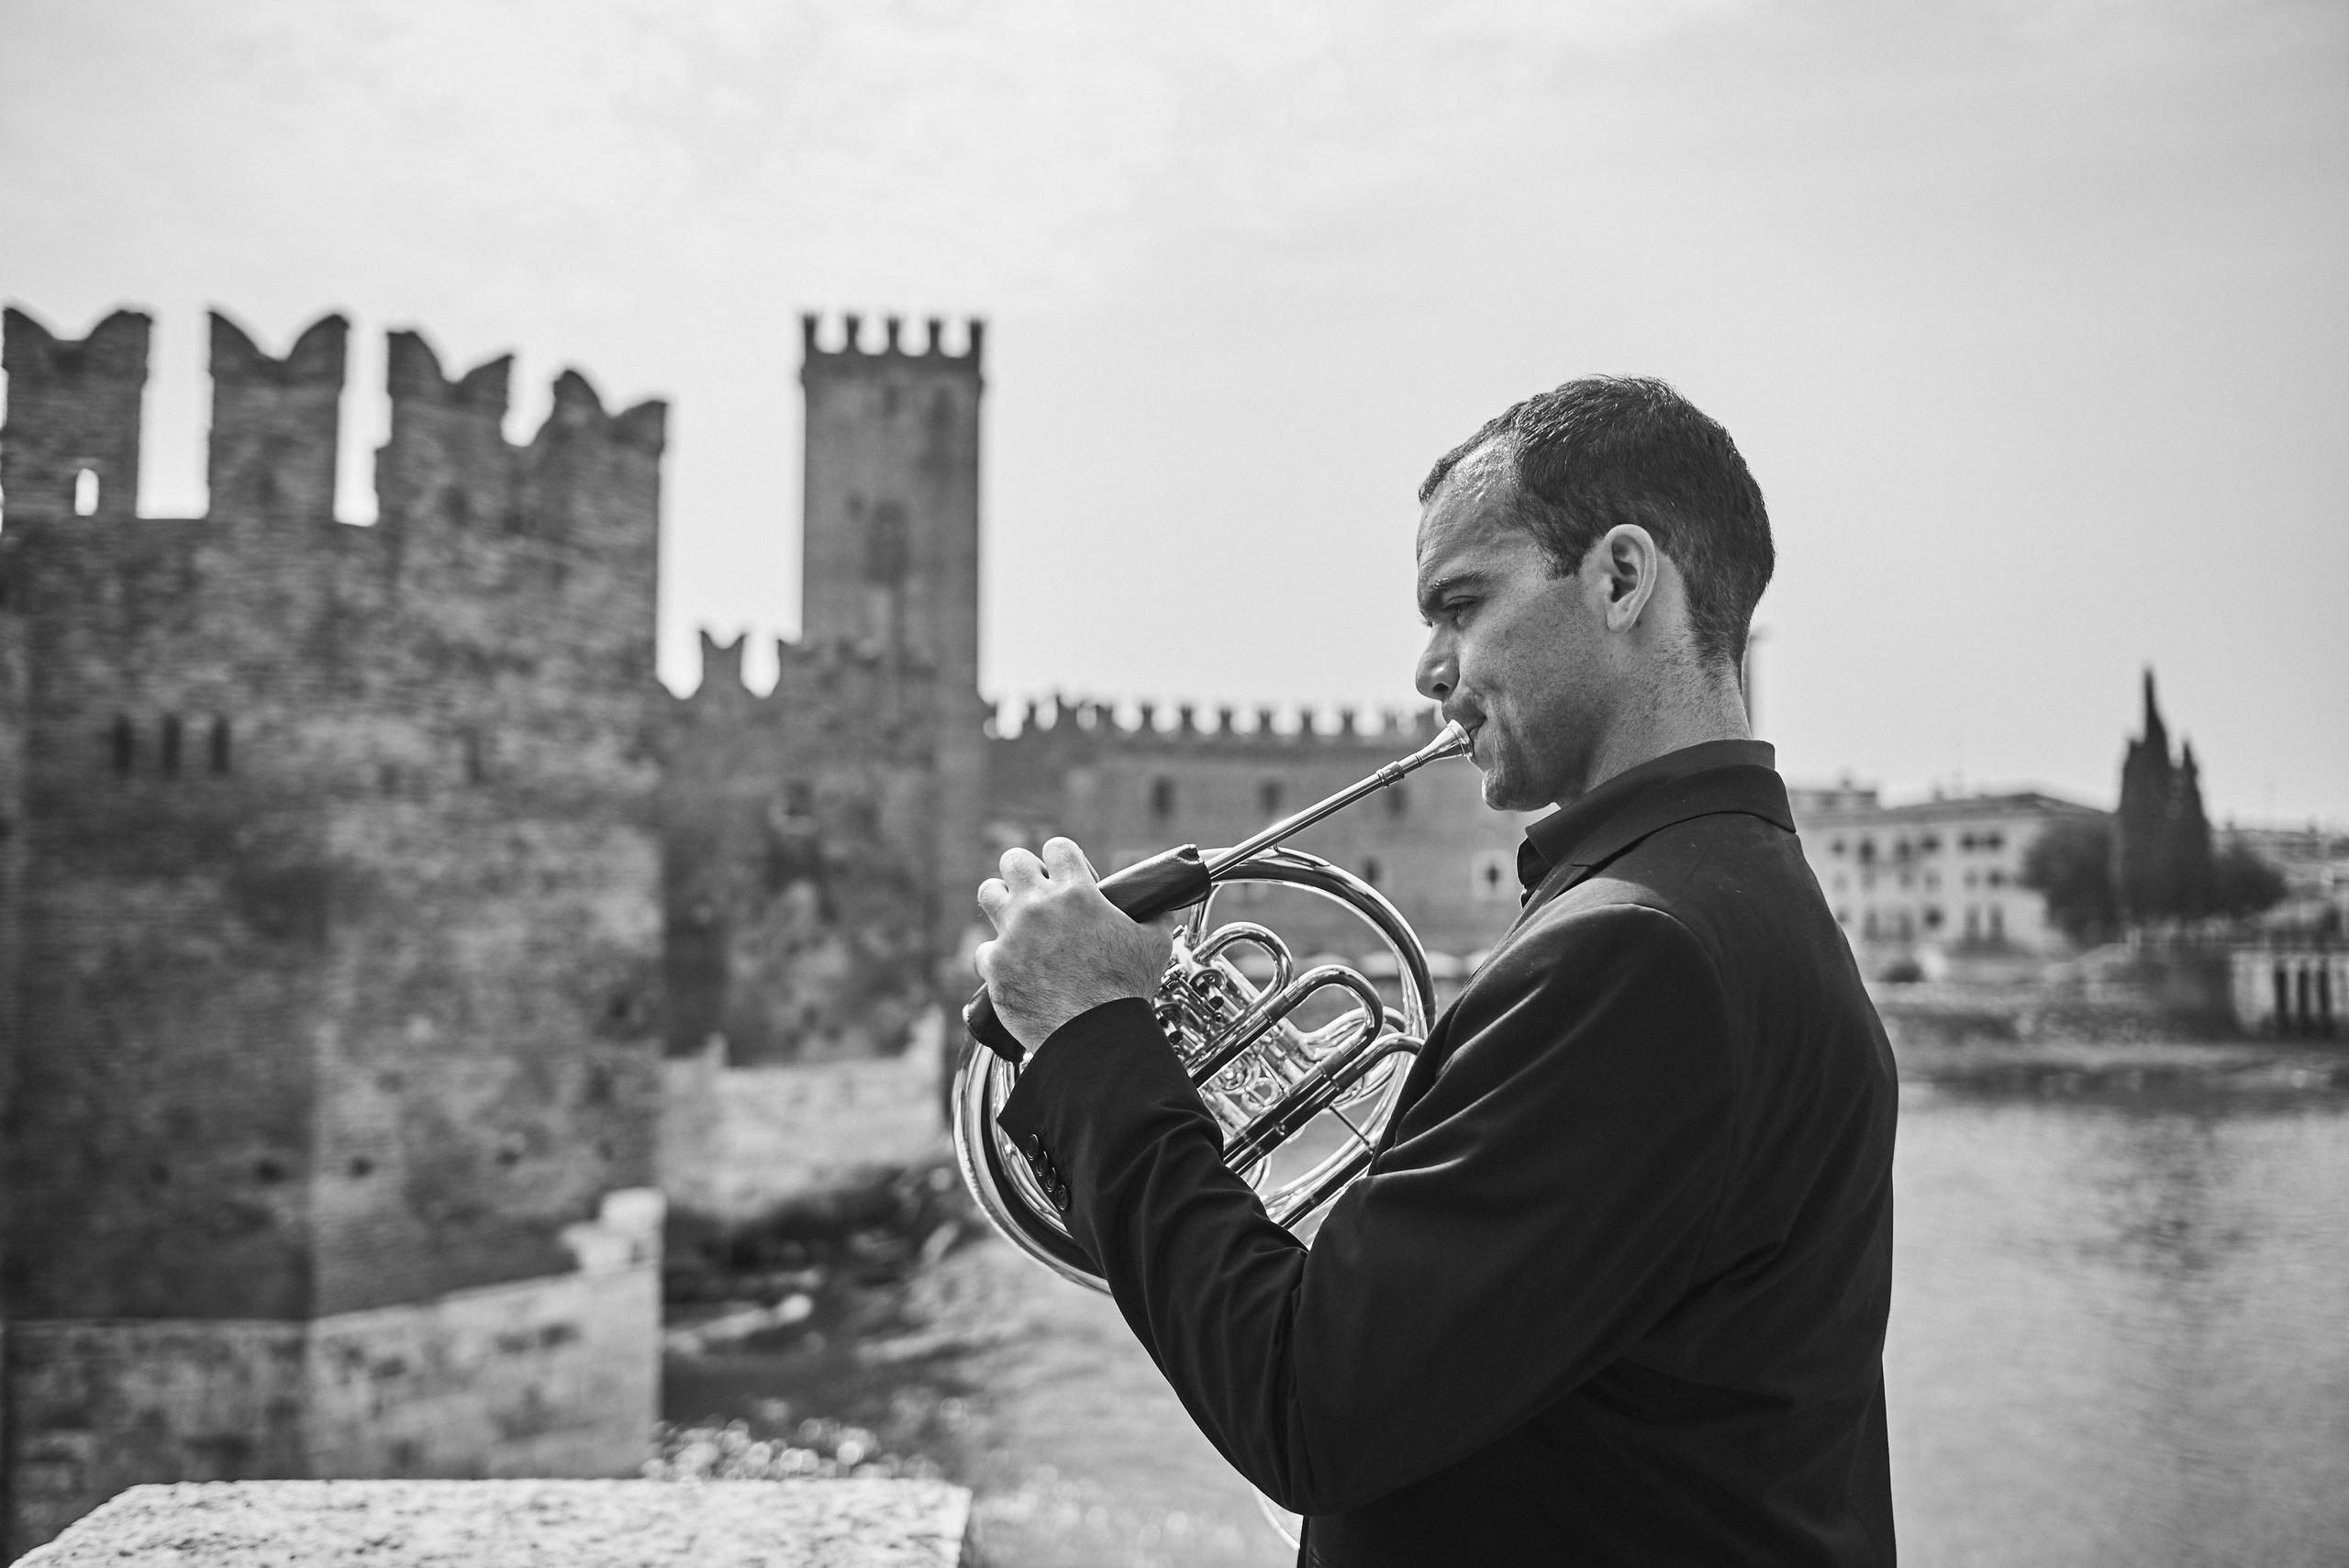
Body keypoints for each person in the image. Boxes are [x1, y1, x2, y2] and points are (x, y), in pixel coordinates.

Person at [974, 377, 1898, 1565]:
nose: (1427, 665)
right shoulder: (1724, 897)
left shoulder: (1640, 951)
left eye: (1462, 604)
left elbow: (1309, 1400)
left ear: (1623, 580)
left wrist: (1098, 1032)